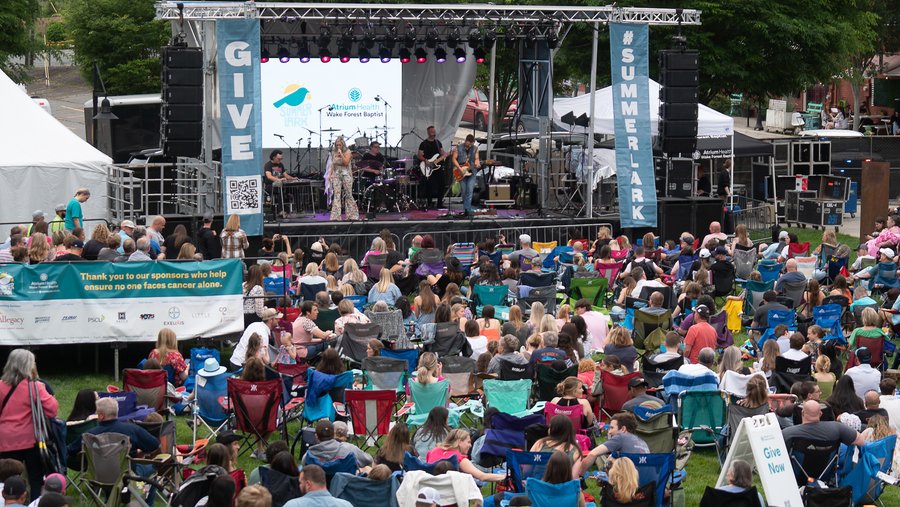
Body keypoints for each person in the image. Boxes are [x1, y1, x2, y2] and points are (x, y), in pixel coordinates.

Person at [0, 350, 59, 497]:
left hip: (5, 439)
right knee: (35, 478)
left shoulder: (0, 386)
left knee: (7, 478)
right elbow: (52, 411)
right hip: (31, 440)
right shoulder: (35, 387)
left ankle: (8, 501)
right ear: (27, 366)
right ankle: (34, 502)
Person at [72, 397, 159, 458]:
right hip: (128, 475)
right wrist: (138, 451)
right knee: (150, 467)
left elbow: (70, 450)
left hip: (97, 476)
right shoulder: (132, 429)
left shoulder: (89, 435)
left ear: (101, 416)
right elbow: (154, 445)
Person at [577, 412, 649, 475]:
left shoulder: (621, 437)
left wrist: (579, 474)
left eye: (612, 428)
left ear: (623, 429)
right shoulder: (642, 442)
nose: (609, 432)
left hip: (625, 483)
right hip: (644, 484)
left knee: (601, 455)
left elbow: (593, 454)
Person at [426, 429, 505, 482]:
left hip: (431, 488)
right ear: (460, 442)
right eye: (468, 442)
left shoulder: (433, 451)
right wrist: (505, 477)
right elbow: (482, 476)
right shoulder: (459, 459)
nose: (470, 445)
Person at [782, 400, 865, 449]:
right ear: (820, 414)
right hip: (826, 474)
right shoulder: (837, 428)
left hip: (798, 474)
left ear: (802, 413)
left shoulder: (787, 433)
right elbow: (861, 441)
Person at [301, 420, 372, 472]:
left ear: (316, 436)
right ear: (333, 434)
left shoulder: (308, 456)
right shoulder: (349, 452)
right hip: (343, 489)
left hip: (318, 489)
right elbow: (368, 460)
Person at [282, 464, 351, 507]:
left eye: (300, 483)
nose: (299, 486)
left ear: (308, 484)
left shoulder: (292, 505)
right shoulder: (346, 505)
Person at [328, 136, 359, 221]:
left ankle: (352, 215)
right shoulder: (334, 152)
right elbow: (333, 164)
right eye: (337, 145)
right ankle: (336, 217)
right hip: (337, 175)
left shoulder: (348, 152)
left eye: (340, 145)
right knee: (337, 195)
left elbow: (346, 163)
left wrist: (341, 154)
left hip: (346, 175)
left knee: (348, 194)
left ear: (343, 145)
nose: (338, 147)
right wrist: (330, 175)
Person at [417, 126, 448, 210]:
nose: (434, 133)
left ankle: (439, 204)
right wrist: (425, 160)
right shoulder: (423, 144)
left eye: (434, 131)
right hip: (428, 167)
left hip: (438, 167)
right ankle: (429, 203)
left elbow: (442, 153)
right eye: (432, 132)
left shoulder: (438, 143)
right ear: (428, 133)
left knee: (442, 184)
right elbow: (419, 155)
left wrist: (446, 154)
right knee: (430, 186)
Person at [451, 134, 481, 216]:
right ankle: (466, 208)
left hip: (471, 172)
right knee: (464, 191)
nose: (470, 145)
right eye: (469, 143)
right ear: (466, 140)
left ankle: (467, 210)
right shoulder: (458, 148)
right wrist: (459, 169)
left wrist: (477, 163)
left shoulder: (475, 149)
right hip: (461, 171)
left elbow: (477, 159)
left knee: (469, 190)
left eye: (472, 144)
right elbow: (453, 159)